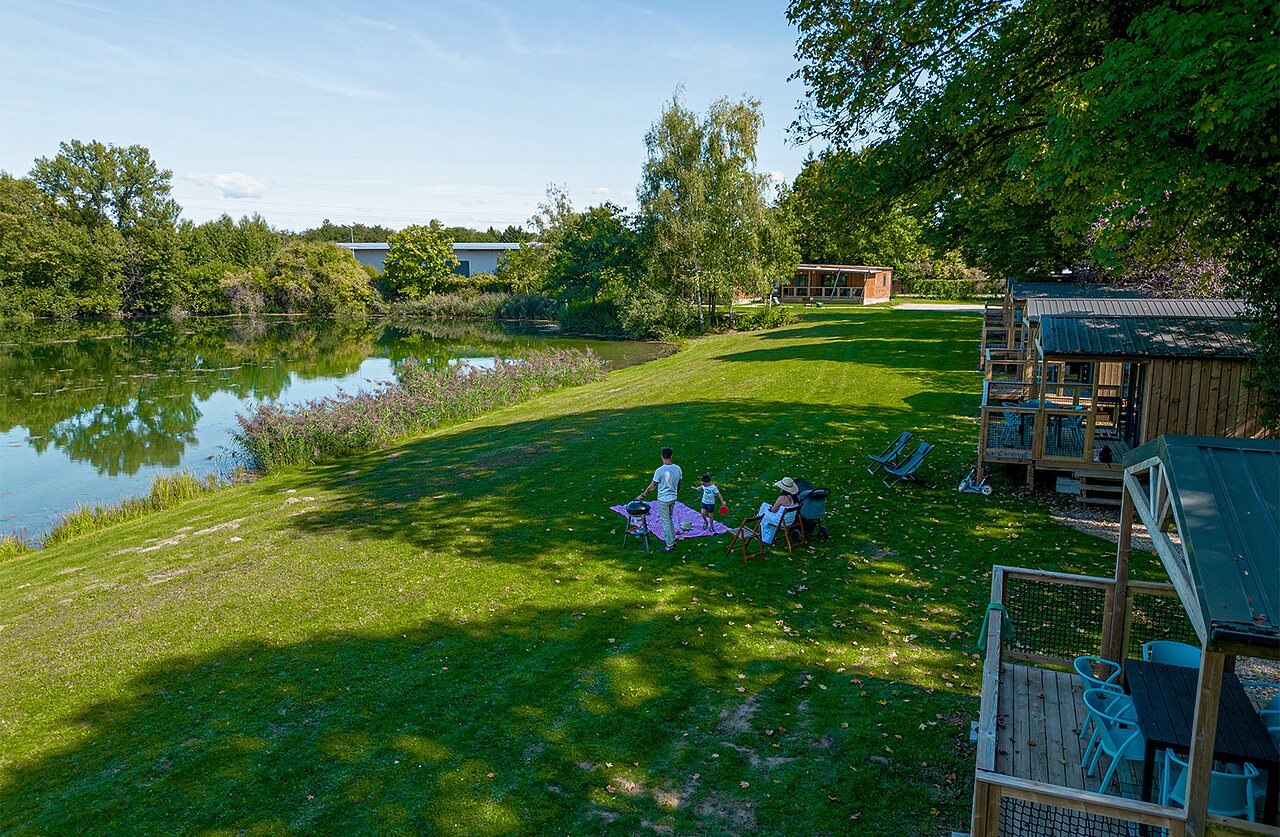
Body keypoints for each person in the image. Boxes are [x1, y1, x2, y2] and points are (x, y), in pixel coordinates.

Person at [636, 447, 682, 552]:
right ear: (671, 456)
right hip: (673, 497)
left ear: (662, 456)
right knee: (669, 519)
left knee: (665, 521)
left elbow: (651, 487)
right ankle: (673, 540)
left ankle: (669, 545)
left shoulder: (660, 471)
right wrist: (676, 493)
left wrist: (642, 496)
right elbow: (679, 483)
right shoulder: (677, 468)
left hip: (664, 500)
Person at [755, 477, 798, 544]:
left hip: (781, 521)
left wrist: (771, 509)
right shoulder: (795, 498)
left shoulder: (782, 498)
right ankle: (759, 517)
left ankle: (765, 538)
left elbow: (774, 510)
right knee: (765, 505)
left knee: (764, 512)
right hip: (790, 520)